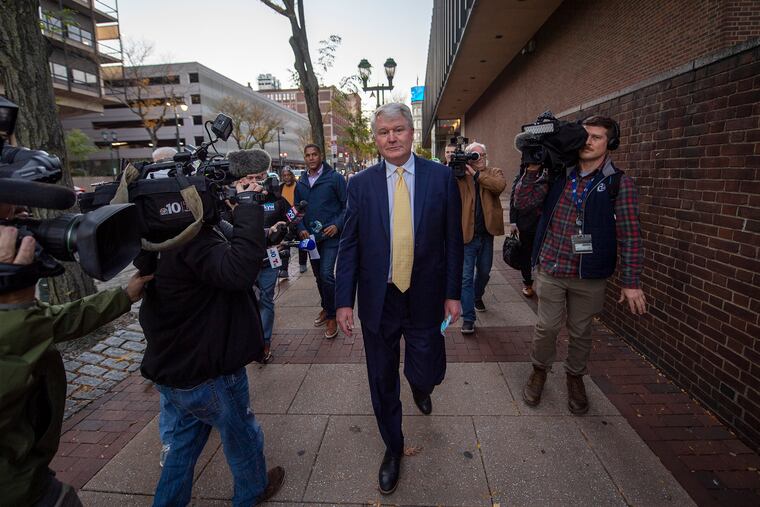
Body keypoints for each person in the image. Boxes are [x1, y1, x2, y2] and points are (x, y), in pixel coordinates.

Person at [335, 103, 463, 495]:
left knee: (426, 370)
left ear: (412, 132)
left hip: (425, 296)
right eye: (383, 132)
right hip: (380, 299)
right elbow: (349, 245)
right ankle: (393, 447)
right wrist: (343, 301)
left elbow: (453, 241)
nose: (391, 138)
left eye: (399, 130)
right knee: (381, 378)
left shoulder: (441, 178)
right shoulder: (360, 184)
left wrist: (453, 294)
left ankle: (421, 386)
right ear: (376, 138)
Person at [138, 172, 285, 506]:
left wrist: (252, 226)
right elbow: (239, 271)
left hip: (177, 371)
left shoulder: (161, 240)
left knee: (184, 446)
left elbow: (228, 246)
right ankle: (252, 492)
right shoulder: (192, 242)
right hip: (209, 375)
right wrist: (248, 206)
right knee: (242, 435)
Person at [0, 207, 152, 507]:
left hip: (30, 475)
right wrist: (13, 311)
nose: (25, 219)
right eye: (10, 218)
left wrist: (123, 296)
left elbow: (54, 321)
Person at [515, 115, 647, 415]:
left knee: (581, 331)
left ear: (610, 143)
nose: (588, 142)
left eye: (597, 137)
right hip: (551, 267)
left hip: (589, 274)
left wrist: (631, 282)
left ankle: (575, 376)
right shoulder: (558, 172)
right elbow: (524, 203)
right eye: (584, 135)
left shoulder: (618, 183)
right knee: (546, 327)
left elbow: (630, 235)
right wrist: (533, 166)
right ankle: (539, 371)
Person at [228, 149, 289, 363]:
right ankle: (250, 338)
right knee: (249, 301)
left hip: (270, 258)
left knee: (266, 299)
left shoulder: (276, 199)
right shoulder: (231, 202)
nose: (254, 182)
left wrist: (282, 233)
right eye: (250, 177)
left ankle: (264, 343)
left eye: (259, 177)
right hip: (244, 262)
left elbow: (290, 219)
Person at [295, 143, 347, 339]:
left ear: (321, 156)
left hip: (330, 236)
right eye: (307, 155)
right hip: (310, 239)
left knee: (326, 274)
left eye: (314, 154)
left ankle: (332, 316)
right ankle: (326, 307)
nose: (311, 158)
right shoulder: (301, 182)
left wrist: (337, 225)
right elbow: (296, 211)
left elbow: (347, 206)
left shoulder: (335, 178)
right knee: (318, 276)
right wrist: (300, 228)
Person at [455, 142, 506, 334]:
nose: (481, 158)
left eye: (483, 154)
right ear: (469, 158)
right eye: (476, 155)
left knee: (484, 272)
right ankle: (468, 318)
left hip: (486, 235)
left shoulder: (494, 172)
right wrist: (458, 168)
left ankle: (477, 296)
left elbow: (499, 186)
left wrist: (476, 174)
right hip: (467, 235)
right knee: (465, 277)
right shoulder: (461, 176)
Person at [508, 162, 542, 298]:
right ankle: (527, 282)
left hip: (543, 224)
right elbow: (513, 200)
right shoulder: (522, 177)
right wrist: (513, 222)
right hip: (526, 224)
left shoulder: (548, 177)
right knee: (526, 254)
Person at [279, 166, 308, 277]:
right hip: (285, 219)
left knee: (301, 240)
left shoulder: (299, 186)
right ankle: (284, 269)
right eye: (284, 175)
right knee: (284, 243)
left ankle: (302, 263)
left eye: (288, 175)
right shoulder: (280, 188)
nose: (287, 177)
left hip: (298, 216)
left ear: (292, 176)